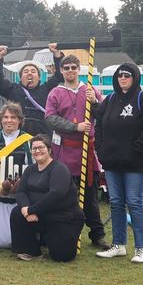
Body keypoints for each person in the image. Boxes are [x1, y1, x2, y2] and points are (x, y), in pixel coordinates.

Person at [94, 62, 143, 264]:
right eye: (120, 75)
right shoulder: (110, 100)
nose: (123, 78)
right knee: (116, 203)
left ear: (135, 78)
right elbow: (100, 125)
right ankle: (119, 245)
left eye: (127, 76)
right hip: (112, 163)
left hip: (135, 164)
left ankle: (141, 248)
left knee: (134, 202)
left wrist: (135, 151)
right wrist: (101, 149)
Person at [44, 54, 108, 249]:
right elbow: (50, 118)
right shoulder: (55, 93)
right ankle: (64, 232)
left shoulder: (89, 90)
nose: (70, 71)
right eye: (66, 68)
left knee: (90, 195)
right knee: (63, 193)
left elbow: (104, 115)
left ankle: (97, 235)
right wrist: (75, 127)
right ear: (61, 71)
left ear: (78, 69)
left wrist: (95, 102)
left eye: (73, 67)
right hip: (64, 150)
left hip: (86, 152)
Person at [9, 134, 85, 262]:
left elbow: (56, 194)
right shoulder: (30, 170)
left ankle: (49, 240)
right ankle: (31, 250)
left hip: (62, 217)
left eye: (41, 147)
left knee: (62, 256)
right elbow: (21, 192)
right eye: (34, 148)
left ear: (49, 150)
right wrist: (25, 209)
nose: (37, 151)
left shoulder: (59, 169)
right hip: (40, 215)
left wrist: (32, 210)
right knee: (17, 213)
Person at [0, 44, 66, 136]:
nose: (29, 73)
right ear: (20, 78)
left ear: (39, 77)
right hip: (18, 138)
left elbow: (60, 76)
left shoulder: (47, 89)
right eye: (26, 72)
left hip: (43, 138)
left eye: (33, 71)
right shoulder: (12, 90)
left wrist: (57, 55)